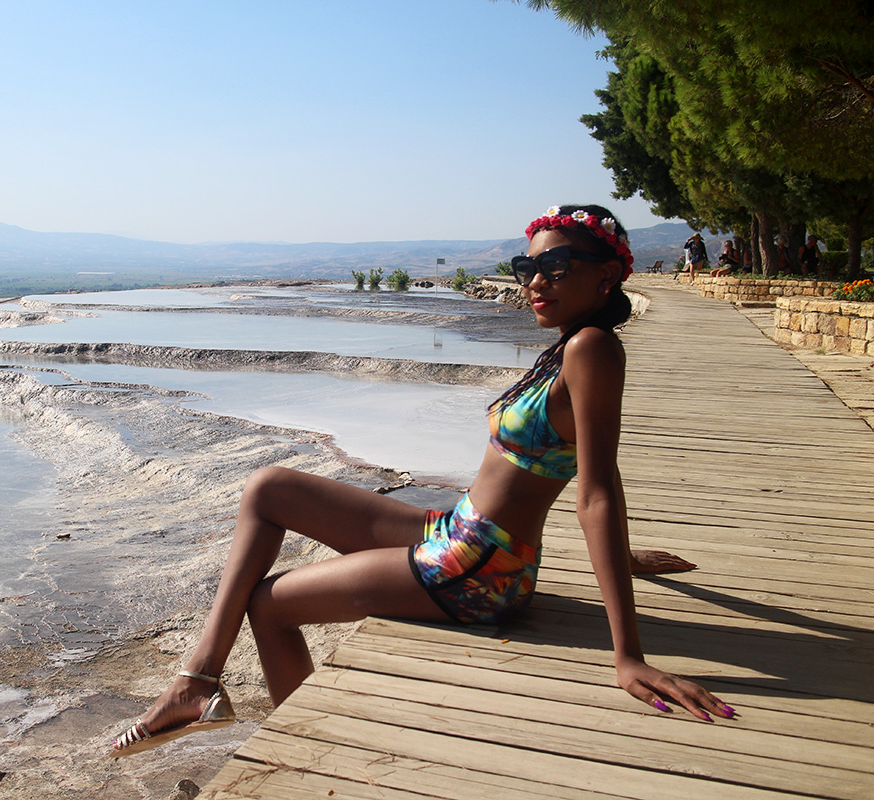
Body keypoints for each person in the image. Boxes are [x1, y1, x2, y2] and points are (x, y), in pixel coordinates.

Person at [109, 204, 735, 757]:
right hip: (458, 530)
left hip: (478, 569)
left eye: (559, 266)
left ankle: (305, 753)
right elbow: (566, 466)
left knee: (269, 604)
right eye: (529, 268)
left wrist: (628, 656)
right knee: (268, 487)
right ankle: (198, 683)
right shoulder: (568, 343)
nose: (536, 282)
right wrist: (623, 558)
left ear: (607, 275)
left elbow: (597, 486)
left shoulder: (592, 348)